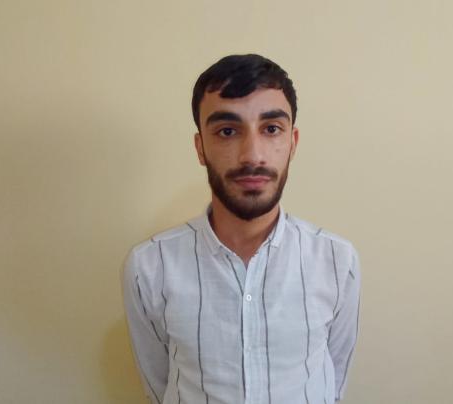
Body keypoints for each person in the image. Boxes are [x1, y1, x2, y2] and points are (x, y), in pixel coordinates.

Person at [122, 54, 361, 404]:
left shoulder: (337, 261)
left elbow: (333, 381)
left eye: (271, 129)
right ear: (200, 148)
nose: (252, 155)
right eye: (227, 131)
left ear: (292, 143)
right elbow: (159, 383)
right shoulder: (149, 266)